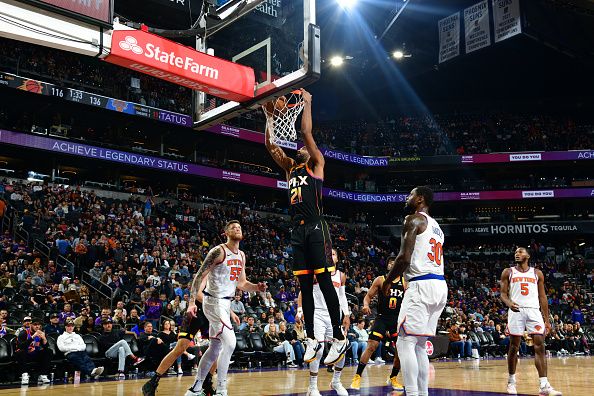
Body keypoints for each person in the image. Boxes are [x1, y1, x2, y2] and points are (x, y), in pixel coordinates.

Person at [263, 88, 348, 366]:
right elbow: (270, 146)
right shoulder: (290, 168)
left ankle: (338, 336)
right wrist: (268, 119)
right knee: (305, 285)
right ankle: (311, 337)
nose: (300, 148)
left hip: (316, 226)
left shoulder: (317, 165)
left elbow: (306, 134)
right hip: (297, 230)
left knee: (324, 282)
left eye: (304, 148)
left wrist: (308, 103)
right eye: (299, 148)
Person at [184, 220, 267, 396]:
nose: (237, 229)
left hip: (225, 303)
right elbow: (199, 276)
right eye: (233, 227)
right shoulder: (218, 251)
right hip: (213, 301)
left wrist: (256, 288)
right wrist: (192, 302)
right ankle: (221, 389)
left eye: (239, 227)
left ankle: (195, 388)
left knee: (215, 347)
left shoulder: (242, 255)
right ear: (226, 233)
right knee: (230, 342)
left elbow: (242, 283)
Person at [382, 186, 448, 396]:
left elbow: (404, 257)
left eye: (410, 195)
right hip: (439, 285)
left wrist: (387, 281)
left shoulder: (413, 219)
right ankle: (422, 393)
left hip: (421, 284)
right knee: (419, 344)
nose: (406, 197)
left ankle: (411, 393)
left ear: (420, 199)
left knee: (404, 342)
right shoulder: (437, 227)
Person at [500, 247, 562, 395]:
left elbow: (543, 297)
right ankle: (511, 381)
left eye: (520, 252)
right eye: (515, 252)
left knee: (540, 346)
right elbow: (502, 294)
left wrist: (547, 320)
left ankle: (544, 385)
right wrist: (509, 303)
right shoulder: (508, 272)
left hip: (534, 311)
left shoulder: (537, 273)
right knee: (514, 347)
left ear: (528, 255)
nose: (517, 254)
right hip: (516, 310)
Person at [297, 248, 350, 396]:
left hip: (333, 315)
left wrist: (346, 314)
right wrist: (300, 311)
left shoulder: (341, 276)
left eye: (333, 254)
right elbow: (303, 292)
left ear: (337, 259)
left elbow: (342, 296)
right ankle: (312, 387)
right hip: (317, 314)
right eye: (328, 254)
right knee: (318, 349)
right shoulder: (316, 273)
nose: (330, 256)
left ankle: (336, 381)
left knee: (341, 347)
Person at [351, 255, 405, 391]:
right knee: (371, 346)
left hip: (396, 319)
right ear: (387, 266)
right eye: (390, 262)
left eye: (395, 262)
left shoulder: (405, 282)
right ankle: (357, 376)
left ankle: (393, 377)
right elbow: (368, 296)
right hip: (382, 317)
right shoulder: (381, 280)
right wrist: (365, 305)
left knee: (401, 351)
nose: (392, 264)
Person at [16, 318, 53, 385]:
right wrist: (32, 337)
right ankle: (24, 375)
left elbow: (45, 347)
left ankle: (43, 375)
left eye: (39, 325)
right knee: (21, 352)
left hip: (35, 354)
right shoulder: (24, 333)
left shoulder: (41, 333)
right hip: (25, 354)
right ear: (30, 325)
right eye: (35, 324)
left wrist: (44, 338)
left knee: (48, 351)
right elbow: (21, 346)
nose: (37, 326)